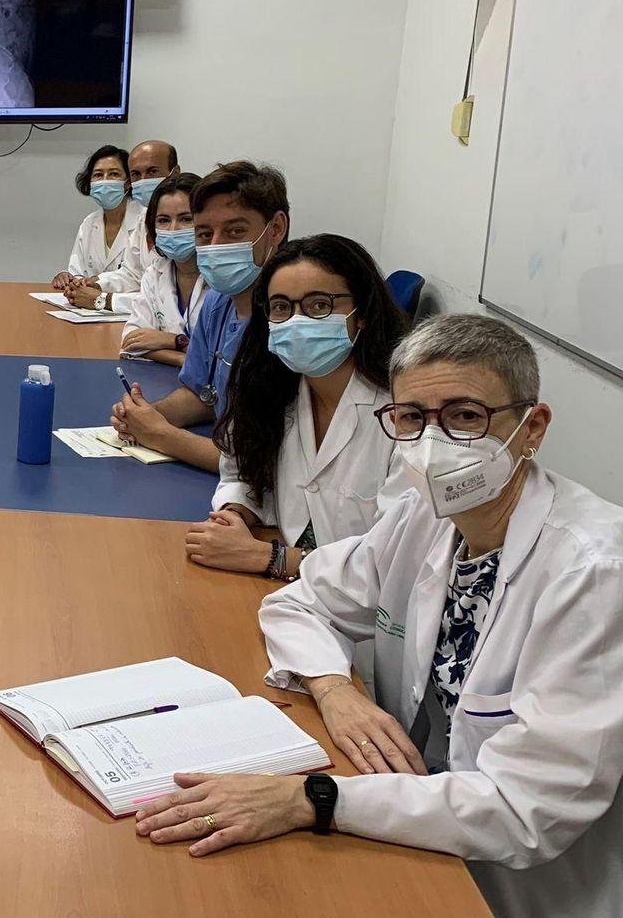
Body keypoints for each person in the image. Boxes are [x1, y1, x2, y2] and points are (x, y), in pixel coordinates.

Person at [133, 315, 623, 918]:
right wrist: (336, 690)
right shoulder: (424, 516)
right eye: (412, 418)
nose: (432, 444)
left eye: (465, 416)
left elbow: (526, 810)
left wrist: (310, 799)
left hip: (517, 885)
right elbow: (297, 599)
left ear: (532, 428)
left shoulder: (594, 574)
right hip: (416, 829)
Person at [186, 235, 411, 579]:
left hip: (362, 617)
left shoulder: (405, 416)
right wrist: (236, 511)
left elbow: (393, 561)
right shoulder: (272, 390)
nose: (296, 321)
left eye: (319, 305)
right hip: (296, 595)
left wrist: (271, 558)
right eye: (281, 307)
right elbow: (240, 472)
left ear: (362, 313)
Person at [110, 160, 290, 473]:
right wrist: (147, 414)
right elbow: (203, 395)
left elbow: (258, 463)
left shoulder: (289, 320)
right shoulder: (219, 302)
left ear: (275, 228)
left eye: (235, 231)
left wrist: (161, 434)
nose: (216, 246)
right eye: (205, 234)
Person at [53, 139, 178, 312]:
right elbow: (132, 274)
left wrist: (103, 299)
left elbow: (164, 297)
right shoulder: (144, 222)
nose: (142, 181)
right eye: (136, 174)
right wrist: (94, 283)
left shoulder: (175, 228)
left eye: (152, 172)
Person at [119, 171, 206, 366]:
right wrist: (182, 350)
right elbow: (131, 343)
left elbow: (221, 355)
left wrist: (167, 340)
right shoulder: (155, 273)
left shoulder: (222, 278)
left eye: (185, 219)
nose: (173, 229)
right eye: (164, 220)